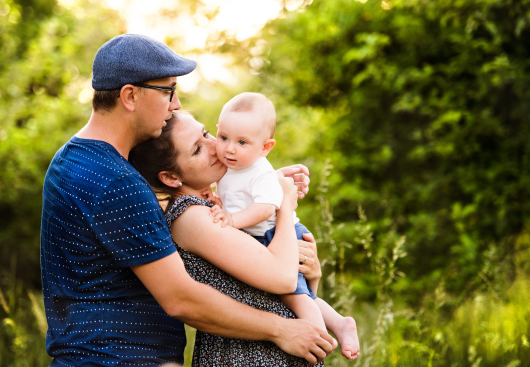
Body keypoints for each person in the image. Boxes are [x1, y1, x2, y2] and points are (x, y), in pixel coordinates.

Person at [40, 34, 335, 367]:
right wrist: (282, 330)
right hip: (118, 359)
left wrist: (260, 187)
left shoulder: (72, 160)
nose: (175, 103)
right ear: (130, 96)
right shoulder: (117, 181)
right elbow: (180, 298)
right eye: (168, 90)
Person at [129, 110, 338, 366]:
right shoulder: (193, 215)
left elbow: (269, 292)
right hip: (246, 356)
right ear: (172, 177)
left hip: (274, 350)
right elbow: (284, 279)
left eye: (206, 133)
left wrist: (267, 185)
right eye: (197, 149)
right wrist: (283, 204)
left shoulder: (216, 207)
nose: (215, 145)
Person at [210, 93, 360, 360]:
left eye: (242, 142)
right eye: (223, 138)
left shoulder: (260, 172)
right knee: (295, 292)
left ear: (265, 148)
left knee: (294, 294)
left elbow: (265, 208)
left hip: (277, 233)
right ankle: (338, 322)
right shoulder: (230, 165)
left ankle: (319, 336)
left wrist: (232, 221)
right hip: (263, 234)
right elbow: (231, 195)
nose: (229, 148)